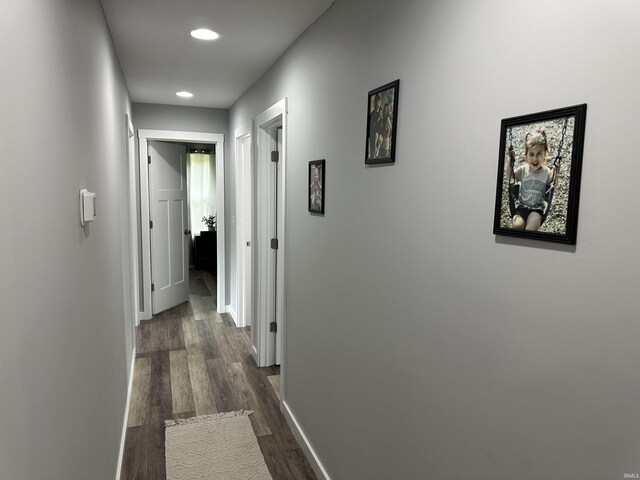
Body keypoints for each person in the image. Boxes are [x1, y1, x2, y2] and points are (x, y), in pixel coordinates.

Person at [506, 128, 558, 231]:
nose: (535, 158)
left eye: (539, 153)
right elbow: (510, 177)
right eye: (531, 154)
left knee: (531, 229)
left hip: (537, 209)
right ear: (526, 156)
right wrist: (510, 160)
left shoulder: (547, 172)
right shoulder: (523, 169)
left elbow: (554, 187)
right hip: (521, 207)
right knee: (517, 226)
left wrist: (558, 173)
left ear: (545, 154)